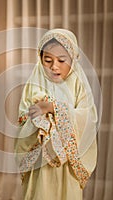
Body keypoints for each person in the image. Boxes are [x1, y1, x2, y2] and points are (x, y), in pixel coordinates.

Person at [15, 28, 99, 200]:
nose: (54, 66)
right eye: (48, 60)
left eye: (61, 60)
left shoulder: (78, 83)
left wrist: (53, 108)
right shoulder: (34, 83)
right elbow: (24, 117)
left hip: (66, 166)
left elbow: (87, 117)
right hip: (40, 164)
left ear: (73, 60)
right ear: (40, 59)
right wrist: (40, 122)